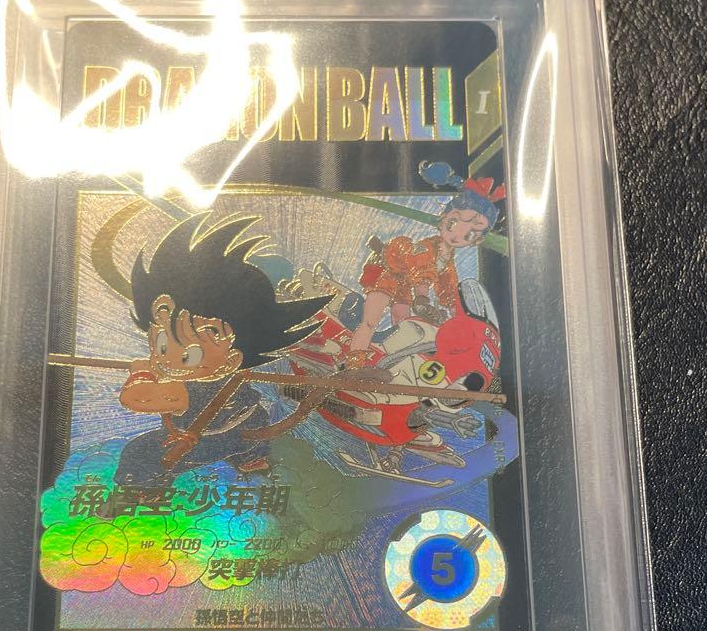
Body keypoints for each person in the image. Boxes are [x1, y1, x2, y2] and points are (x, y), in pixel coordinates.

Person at [116, 215, 329, 481]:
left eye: (189, 355)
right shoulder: (227, 373)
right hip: (252, 423)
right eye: (161, 344)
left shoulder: (187, 387)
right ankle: (253, 459)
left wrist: (141, 373)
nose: (166, 360)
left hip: (214, 439)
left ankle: (145, 491)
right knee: (246, 428)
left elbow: (137, 399)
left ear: (230, 361)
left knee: (137, 453)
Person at [345, 160, 505, 369]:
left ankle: (388, 363)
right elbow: (421, 269)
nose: (457, 235)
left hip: (404, 283)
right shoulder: (428, 247)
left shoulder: (448, 263)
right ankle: (354, 363)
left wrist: (458, 318)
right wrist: (421, 298)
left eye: (469, 235)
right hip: (385, 271)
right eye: (453, 223)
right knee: (371, 319)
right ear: (444, 217)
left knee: (403, 323)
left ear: (477, 240)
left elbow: (448, 290)